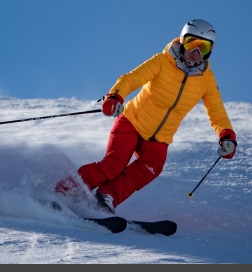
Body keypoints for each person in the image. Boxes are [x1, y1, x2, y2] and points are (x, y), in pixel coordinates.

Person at [54, 19, 237, 214]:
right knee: (113, 165)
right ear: (183, 41)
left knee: (152, 167)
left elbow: (216, 111)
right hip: (132, 122)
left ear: (211, 49)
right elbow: (132, 79)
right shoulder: (162, 61)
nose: (196, 52)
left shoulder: (207, 80)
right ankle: (64, 192)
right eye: (192, 43)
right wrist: (115, 96)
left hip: (160, 138)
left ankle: (107, 197)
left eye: (204, 47)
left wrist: (226, 136)